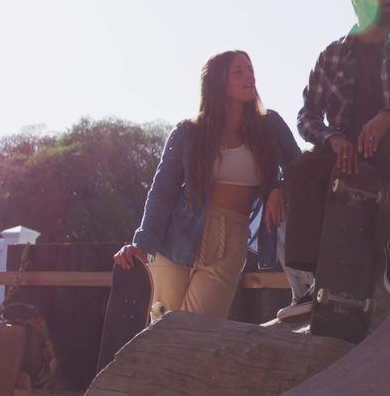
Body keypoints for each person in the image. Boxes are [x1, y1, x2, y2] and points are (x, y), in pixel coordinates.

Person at [279, 0, 390, 319]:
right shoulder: (332, 54)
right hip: (344, 154)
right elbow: (306, 116)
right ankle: (311, 281)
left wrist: (388, 116)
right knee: (301, 169)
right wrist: (332, 139)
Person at [114, 50, 306, 319]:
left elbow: (300, 169)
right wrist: (141, 244)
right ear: (218, 83)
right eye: (238, 71)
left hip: (230, 240)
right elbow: (163, 189)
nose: (249, 76)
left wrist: (280, 188)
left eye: (250, 69)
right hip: (178, 236)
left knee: (196, 331)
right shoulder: (189, 131)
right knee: (160, 330)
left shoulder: (269, 125)